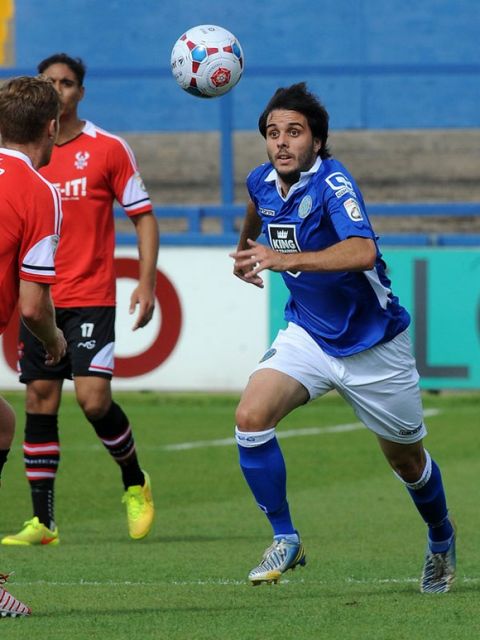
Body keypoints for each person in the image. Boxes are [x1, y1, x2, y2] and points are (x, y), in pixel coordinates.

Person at [229, 83, 455, 593]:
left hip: (374, 346)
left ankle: (441, 536)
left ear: (317, 140)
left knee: (408, 461)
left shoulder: (333, 183)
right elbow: (256, 205)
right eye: (272, 133)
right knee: (250, 417)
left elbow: (362, 252)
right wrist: (246, 250)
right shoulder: (262, 180)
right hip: (308, 335)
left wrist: (284, 259)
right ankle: (285, 537)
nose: (281, 142)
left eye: (294, 132)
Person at [1, 53, 159, 547]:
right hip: (40, 297)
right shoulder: (25, 171)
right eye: (50, 82)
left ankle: (134, 480)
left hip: (88, 295)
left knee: (93, 400)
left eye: (67, 82)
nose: (59, 88)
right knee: (37, 399)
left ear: (79, 93)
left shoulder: (107, 149)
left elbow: (143, 215)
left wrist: (147, 280)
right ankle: (43, 522)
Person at [0, 74, 67, 616]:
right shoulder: (37, 192)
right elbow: (32, 305)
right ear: (51, 128)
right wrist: (53, 338)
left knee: (1, 424)